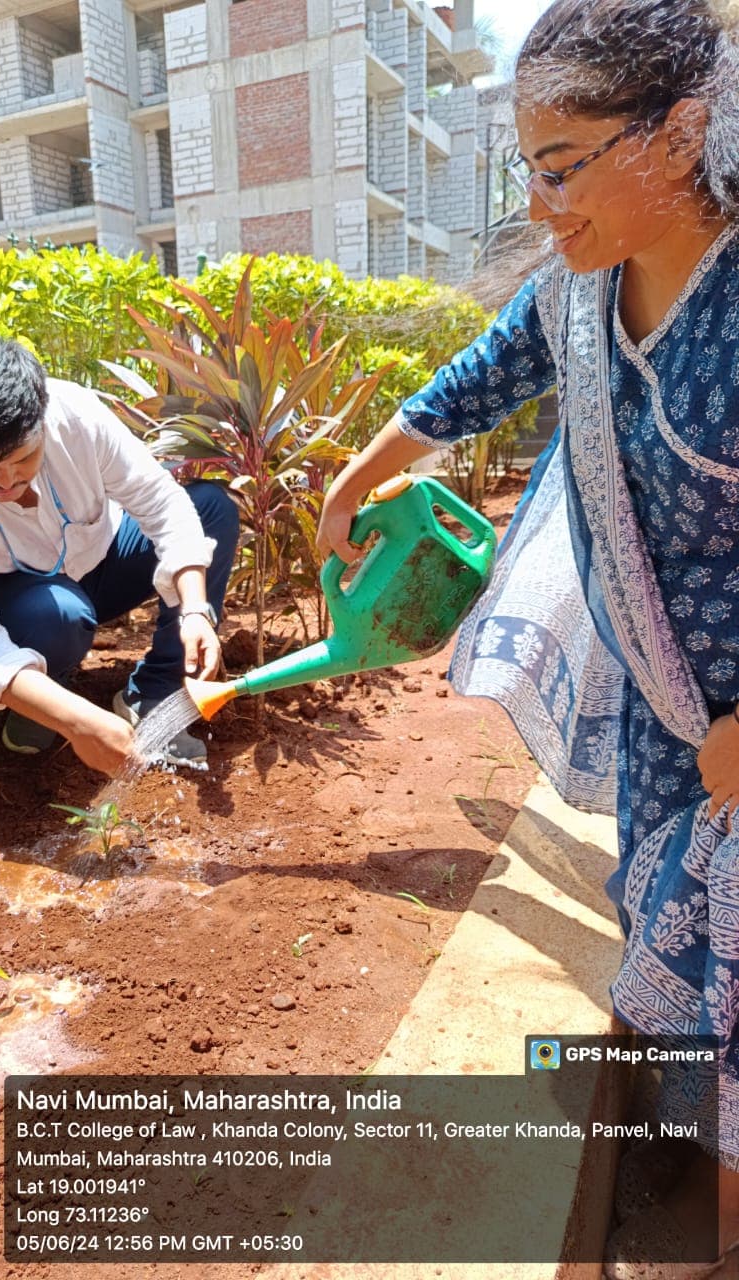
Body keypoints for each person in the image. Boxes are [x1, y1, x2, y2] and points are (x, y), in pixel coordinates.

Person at [317, 0, 739, 1274]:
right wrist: (352, 480)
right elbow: (464, 390)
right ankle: (672, 1136)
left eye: (562, 168)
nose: (541, 205)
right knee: (659, 918)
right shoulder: (579, 290)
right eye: (528, 169)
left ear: (683, 130)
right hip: (671, 709)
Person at [0, 338, 239, 773]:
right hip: (29, 609)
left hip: (104, 563)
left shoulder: (76, 416)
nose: (5, 481)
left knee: (211, 509)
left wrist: (195, 611)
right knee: (58, 616)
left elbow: (160, 503)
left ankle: (154, 694)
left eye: (23, 458)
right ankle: (42, 696)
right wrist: (77, 723)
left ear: (44, 421)